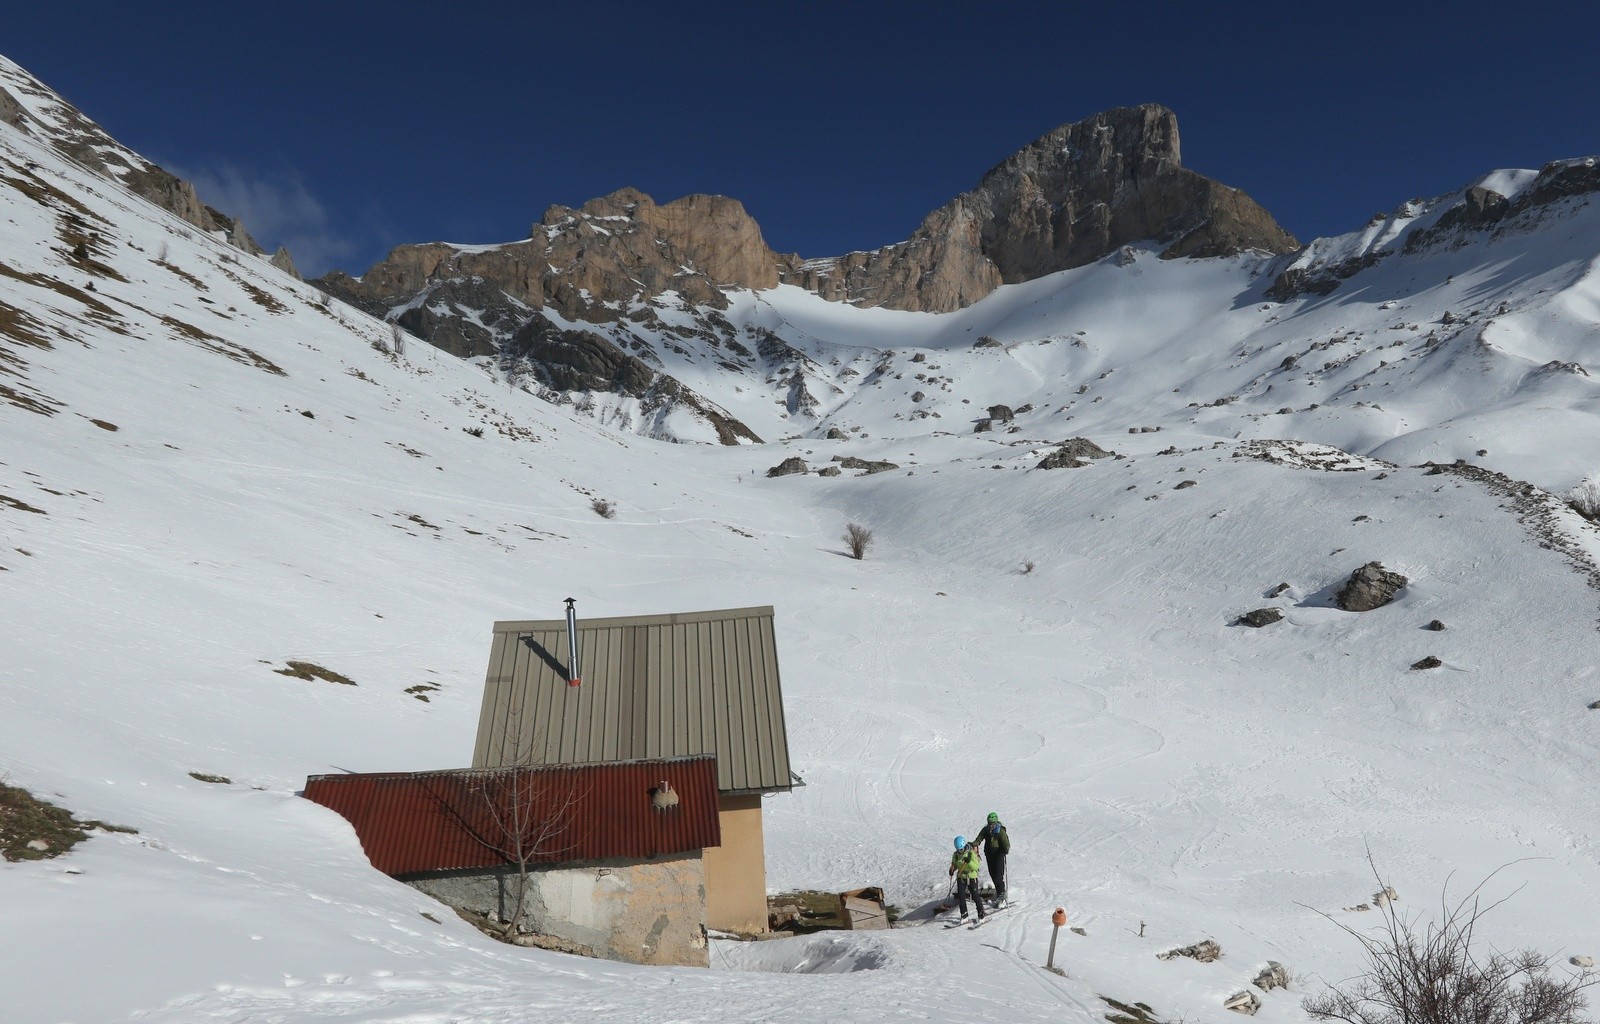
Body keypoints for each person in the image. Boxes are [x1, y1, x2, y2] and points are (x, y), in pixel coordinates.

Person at [973, 811, 1010, 906]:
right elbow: (979, 838)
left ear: (996, 822)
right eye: (989, 823)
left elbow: (1006, 843)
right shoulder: (986, 830)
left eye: (992, 823)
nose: (990, 825)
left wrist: (1005, 850)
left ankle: (1002, 895)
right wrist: (974, 844)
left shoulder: (1000, 831)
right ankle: (999, 894)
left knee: (998, 875)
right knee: (992, 874)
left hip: (998, 854)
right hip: (989, 854)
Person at [947, 836, 985, 921]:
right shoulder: (955, 855)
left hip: (971, 876)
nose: (960, 851)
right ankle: (964, 915)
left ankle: (981, 914)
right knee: (961, 896)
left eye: (961, 849)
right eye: (958, 850)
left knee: (975, 896)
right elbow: (954, 864)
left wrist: (969, 862)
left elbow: (976, 866)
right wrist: (952, 870)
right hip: (961, 877)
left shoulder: (971, 853)